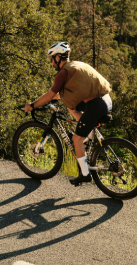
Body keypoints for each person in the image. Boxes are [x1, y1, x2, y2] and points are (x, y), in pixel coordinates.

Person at [24, 41, 114, 186]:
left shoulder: (63, 73)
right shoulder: (75, 65)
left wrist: (32, 106)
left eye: (52, 59)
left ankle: (85, 174)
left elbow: (50, 95)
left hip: (96, 105)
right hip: (105, 99)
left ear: (58, 57)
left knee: (76, 139)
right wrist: (45, 101)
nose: (51, 62)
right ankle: (87, 134)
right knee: (71, 106)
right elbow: (61, 95)